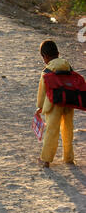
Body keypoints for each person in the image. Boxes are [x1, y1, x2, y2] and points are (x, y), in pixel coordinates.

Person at [36, 40, 75, 168]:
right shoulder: (67, 66)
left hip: (53, 104)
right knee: (68, 129)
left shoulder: (47, 70)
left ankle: (46, 159)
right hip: (68, 102)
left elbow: (42, 92)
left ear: (44, 57)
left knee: (51, 131)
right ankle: (68, 157)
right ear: (58, 53)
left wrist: (40, 106)